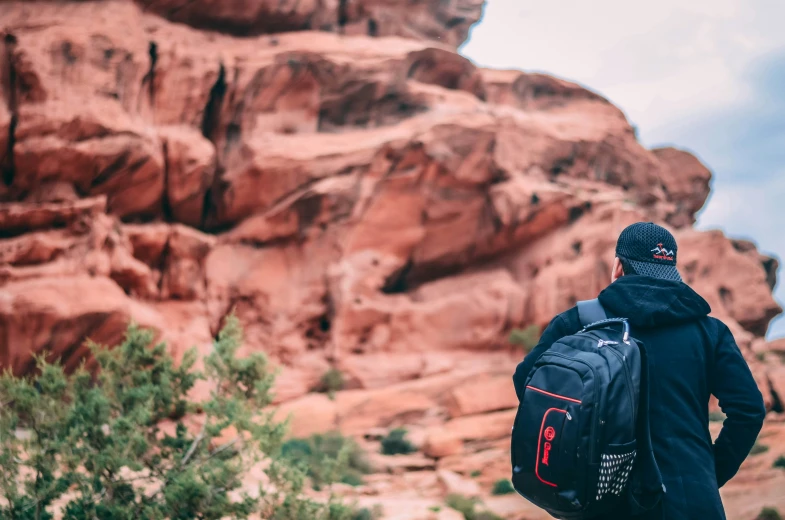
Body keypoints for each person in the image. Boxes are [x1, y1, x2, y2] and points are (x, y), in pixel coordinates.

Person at [513, 222, 767, 519]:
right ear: (671, 269)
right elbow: (748, 411)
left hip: (602, 501)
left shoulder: (578, 322)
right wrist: (708, 473)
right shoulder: (709, 331)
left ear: (618, 267)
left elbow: (528, 385)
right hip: (691, 500)